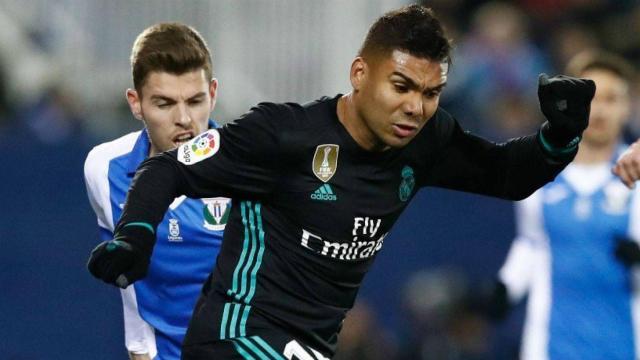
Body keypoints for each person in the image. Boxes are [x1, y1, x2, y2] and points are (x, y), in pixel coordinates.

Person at [87, 5, 595, 359]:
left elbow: (505, 174)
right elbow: (168, 166)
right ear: (359, 73)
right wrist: (136, 234)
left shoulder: (427, 139)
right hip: (235, 337)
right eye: (401, 86)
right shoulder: (282, 134)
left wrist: (561, 135)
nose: (415, 107)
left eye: (431, 92)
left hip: (311, 346)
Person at [83, 23, 229, 360]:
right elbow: (132, 284)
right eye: (164, 104)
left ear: (214, 94)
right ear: (136, 103)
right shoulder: (103, 170)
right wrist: (140, 351)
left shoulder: (252, 176)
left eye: (195, 101)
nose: (184, 119)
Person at [491, 50, 638, 359]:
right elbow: (531, 242)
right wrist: (506, 287)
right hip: (551, 343)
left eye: (611, 99)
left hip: (625, 341)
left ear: (627, 108)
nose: (599, 111)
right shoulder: (539, 171)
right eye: (591, 97)